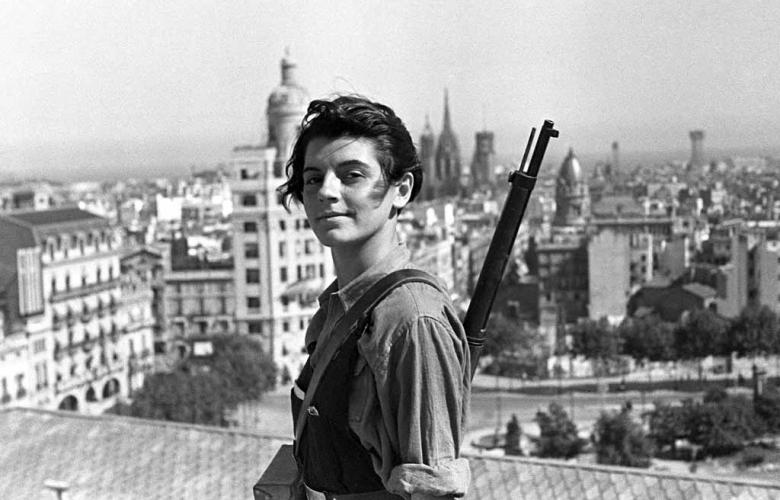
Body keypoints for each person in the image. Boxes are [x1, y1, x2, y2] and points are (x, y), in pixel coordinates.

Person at [279, 95, 471, 500]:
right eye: (313, 178)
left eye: (351, 176)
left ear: (401, 189)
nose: (326, 192)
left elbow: (433, 489)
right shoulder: (341, 305)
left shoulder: (411, 319)